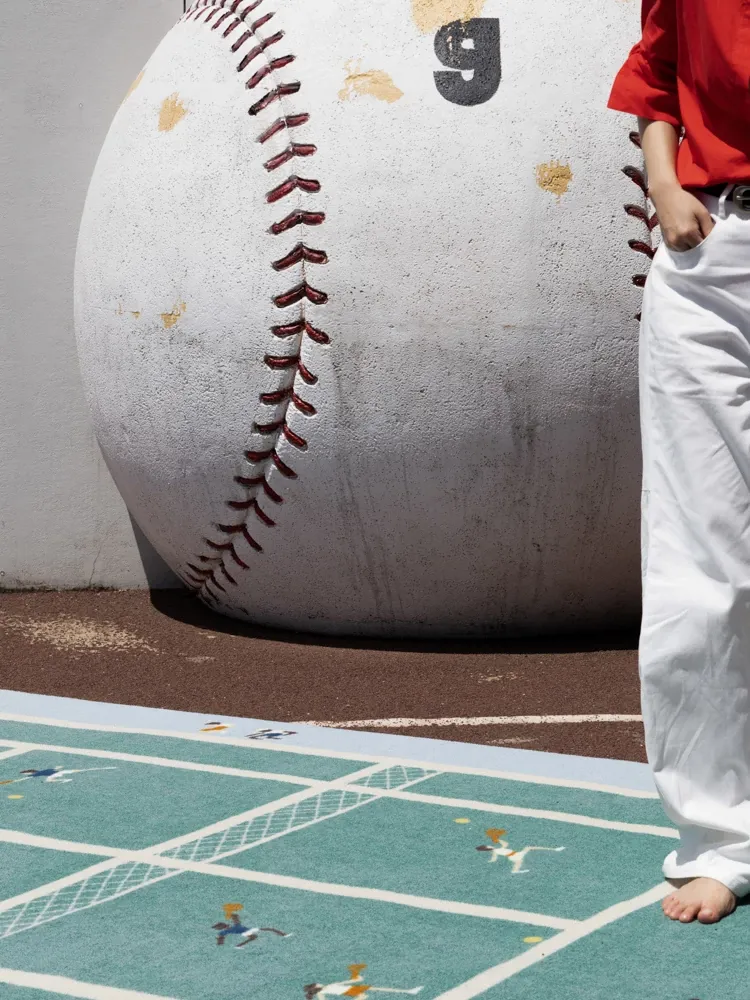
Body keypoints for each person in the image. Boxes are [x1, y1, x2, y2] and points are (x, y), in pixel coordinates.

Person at [607, 0, 750, 925]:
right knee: (699, 567)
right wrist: (663, 183)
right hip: (711, 260)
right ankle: (722, 840)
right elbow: (658, 70)